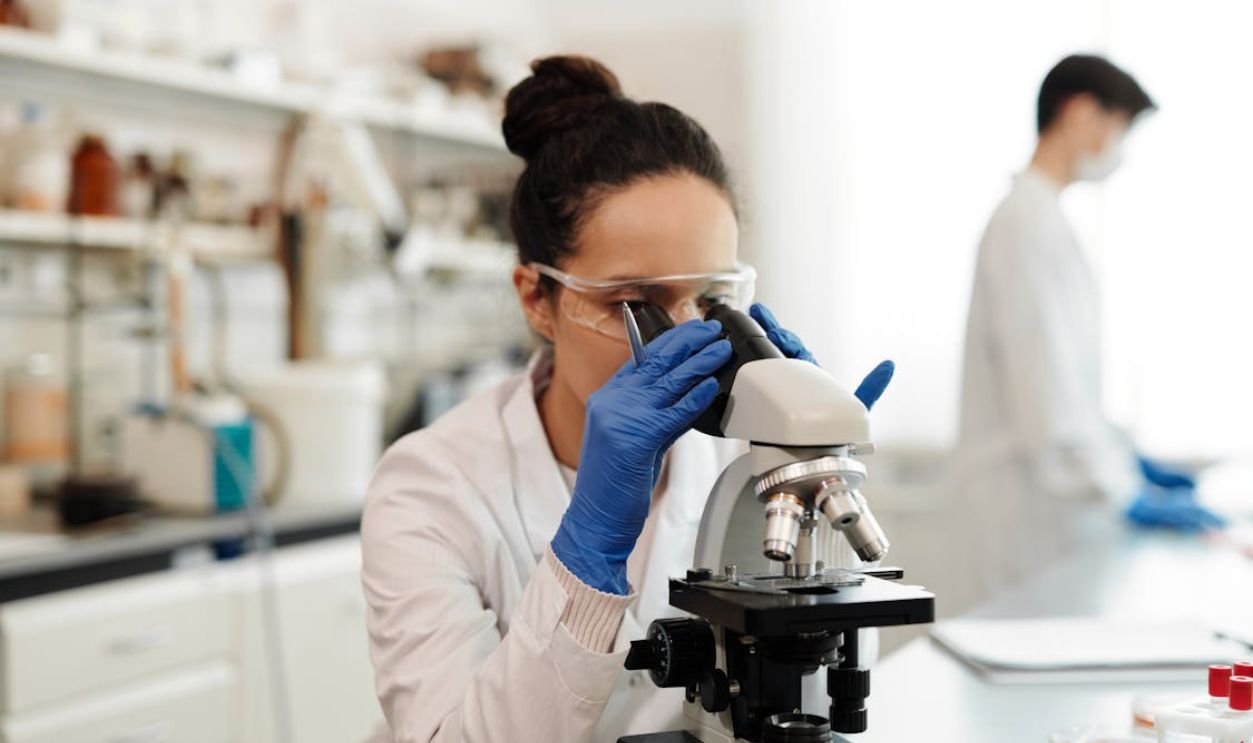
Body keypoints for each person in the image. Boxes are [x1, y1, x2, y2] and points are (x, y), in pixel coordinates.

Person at [361, 55, 893, 743]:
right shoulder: (431, 485)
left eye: (712, 299)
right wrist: (587, 554)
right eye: (635, 303)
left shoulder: (748, 461)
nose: (690, 335)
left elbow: (825, 706)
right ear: (537, 299)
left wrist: (816, 468)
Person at [957, 54, 1224, 597]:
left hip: (1047, 506)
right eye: (1119, 128)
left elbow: (1067, 388)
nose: (1118, 148)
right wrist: (1119, 488)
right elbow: (1043, 391)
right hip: (1024, 511)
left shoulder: (1043, 218)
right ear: (1080, 112)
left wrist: (1126, 458)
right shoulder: (1025, 224)